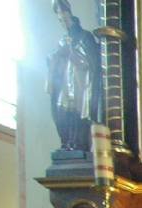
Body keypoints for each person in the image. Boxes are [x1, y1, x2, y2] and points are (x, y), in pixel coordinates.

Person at [47, 0, 101, 152]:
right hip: (64, 86)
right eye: (59, 20)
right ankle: (66, 143)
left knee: (77, 116)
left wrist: (71, 52)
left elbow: (91, 64)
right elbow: (55, 64)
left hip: (80, 87)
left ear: (69, 15)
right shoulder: (61, 41)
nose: (62, 22)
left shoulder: (85, 37)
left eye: (64, 18)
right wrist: (56, 57)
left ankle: (78, 143)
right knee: (61, 114)